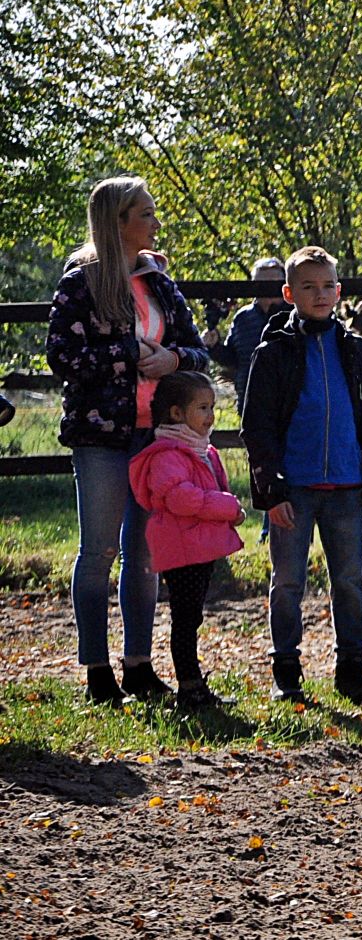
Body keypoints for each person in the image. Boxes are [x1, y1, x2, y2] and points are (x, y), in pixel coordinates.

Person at [46, 175, 210, 705]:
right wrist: (126, 354)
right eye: (146, 212)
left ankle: (138, 664)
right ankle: (96, 669)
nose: (156, 222)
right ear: (119, 221)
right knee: (98, 551)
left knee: (144, 553)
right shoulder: (80, 283)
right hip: (101, 435)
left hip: (155, 437)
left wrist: (174, 360)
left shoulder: (158, 282)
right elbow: (63, 359)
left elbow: (198, 350)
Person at [240, 246, 362, 706]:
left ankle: (352, 667)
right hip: (294, 488)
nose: (320, 294)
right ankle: (286, 667)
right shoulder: (274, 354)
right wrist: (270, 489)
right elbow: (258, 426)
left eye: (328, 286)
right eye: (308, 286)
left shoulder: (358, 353)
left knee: (349, 579)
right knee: (288, 582)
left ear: (339, 291)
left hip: (347, 486)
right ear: (289, 293)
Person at [128, 370, 244, 711]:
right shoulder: (167, 455)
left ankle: (192, 684)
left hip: (198, 547)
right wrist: (227, 507)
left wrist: (229, 511)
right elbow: (180, 498)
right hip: (182, 550)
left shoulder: (201, 450)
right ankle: (190, 687)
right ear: (177, 413)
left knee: (191, 617)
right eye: (203, 408)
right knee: (186, 618)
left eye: (212, 408)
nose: (210, 416)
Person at [204, 256, 287, 414]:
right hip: (250, 403)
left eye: (273, 283)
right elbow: (234, 360)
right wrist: (214, 346)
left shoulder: (295, 315)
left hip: (289, 404)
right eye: (261, 284)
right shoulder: (243, 318)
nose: (268, 289)